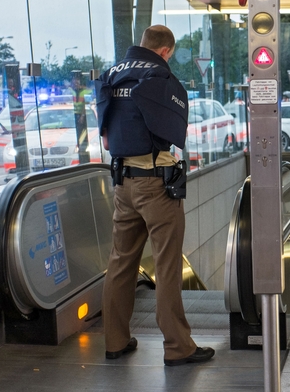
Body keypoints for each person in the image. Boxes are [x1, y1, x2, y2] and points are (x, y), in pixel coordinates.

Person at [95, 25, 215, 366]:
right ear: (166, 51)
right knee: (166, 265)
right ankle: (178, 347)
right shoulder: (161, 78)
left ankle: (115, 341)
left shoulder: (111, 76)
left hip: (123, 184)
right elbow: (174, 135)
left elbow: (106, 140)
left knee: (120, 263)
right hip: (155, 184)